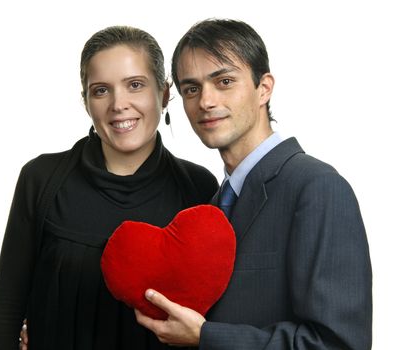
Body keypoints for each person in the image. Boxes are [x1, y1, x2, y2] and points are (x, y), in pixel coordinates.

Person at [135, 19, 373, 349]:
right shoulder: (213, 203)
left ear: (264, 87)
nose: (206, 101)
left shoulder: (317, 187)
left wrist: (206, 337)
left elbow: (338, 344)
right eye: (191, 89)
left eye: (224, 81)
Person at [0, 25, 218, 350]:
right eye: (101, 90)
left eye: (135, 85)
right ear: (86, 102)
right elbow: (5, 305)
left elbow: (210, 314)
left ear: (163, 94)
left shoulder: (198, 187)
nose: (119, 104)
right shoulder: (41, 178)